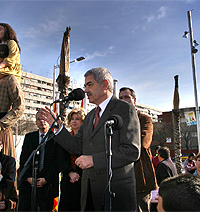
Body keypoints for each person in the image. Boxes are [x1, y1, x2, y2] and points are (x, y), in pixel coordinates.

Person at [39, 67, 140, 211]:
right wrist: (57, 127)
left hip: (115, 192)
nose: (85, 90)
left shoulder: (124, 109)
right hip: (89, 193)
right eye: (85, 86)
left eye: (89, 85)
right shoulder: (91, 115)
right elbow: (76, 145)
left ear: (105, 84)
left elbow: (131, 151)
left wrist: (93, 160)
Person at [119, 87, 158, 212]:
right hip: (120, 178)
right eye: (120, 98)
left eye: (127, 97)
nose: (123, 100)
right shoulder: (116, 120)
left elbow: (143, 143)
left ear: (134, 99)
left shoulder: (145, 119)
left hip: (140, 178)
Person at [18, 111, 61, 211]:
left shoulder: (56, 138)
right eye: (39, 119)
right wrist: (28, 177)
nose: (42, 121)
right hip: (29, 186)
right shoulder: (29, 137)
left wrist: (46, 179)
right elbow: (24, 159)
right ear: (36, 122)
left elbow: (57, 163)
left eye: (44, 118)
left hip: (47, 186)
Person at [57, 109, 86, 211]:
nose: (74, 121)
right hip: (68, 180)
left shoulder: (87, 139)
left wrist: (77, 174)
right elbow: (60, 159)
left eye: (77, 119)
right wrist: (70, 172)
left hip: (83, 180)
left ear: (83, 121)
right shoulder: (65, 137)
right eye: (72, 119)